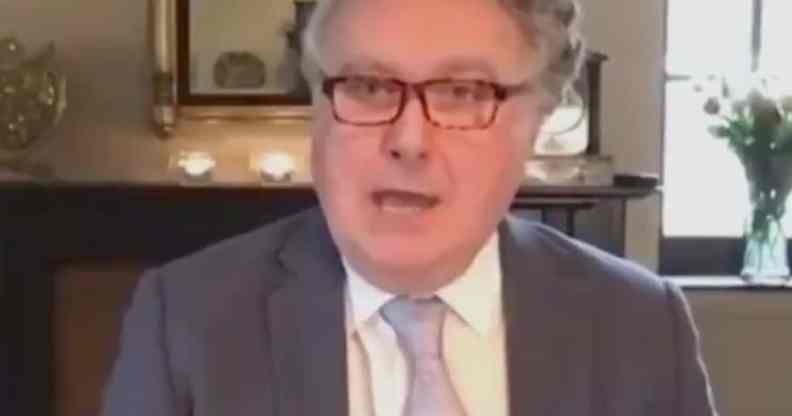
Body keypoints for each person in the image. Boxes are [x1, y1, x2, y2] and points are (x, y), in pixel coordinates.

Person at [100, 0, 718, 415]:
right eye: (369, 86)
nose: (409, 140)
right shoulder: (184, 321)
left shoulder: (641, 327)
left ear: (537, 118)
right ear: (316, 103)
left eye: (463, 92)